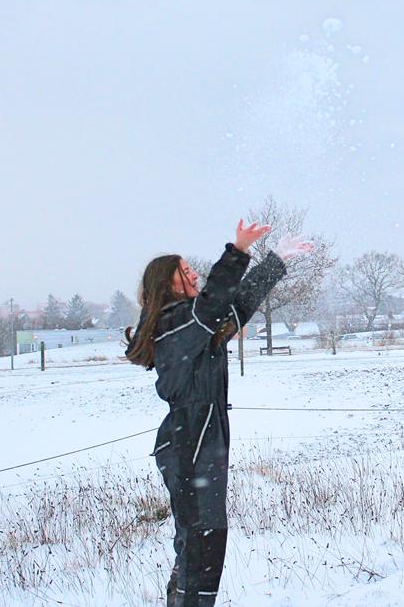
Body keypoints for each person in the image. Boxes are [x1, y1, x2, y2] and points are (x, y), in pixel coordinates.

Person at [125, 220, 312, 607]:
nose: (193, 273)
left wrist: (275, 261)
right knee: (202, 541)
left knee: (198, 540)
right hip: (189, 439)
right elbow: (212, 304)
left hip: (201, 436)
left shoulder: (193, 325)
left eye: (193, 269)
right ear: (168, 282)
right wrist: (238, 250)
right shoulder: (172, 323)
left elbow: (235, 307)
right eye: (186, 271)